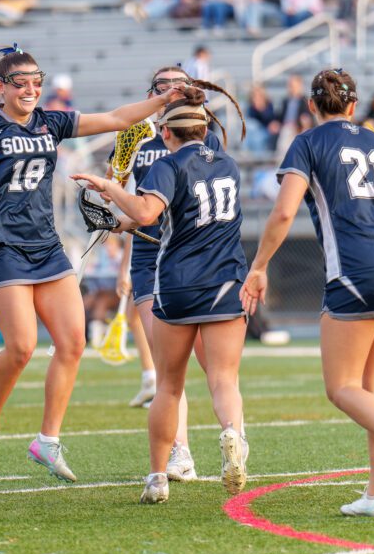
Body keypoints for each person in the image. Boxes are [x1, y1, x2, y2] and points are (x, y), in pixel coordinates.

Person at [0, 43, 185, 484]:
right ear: (0, 87)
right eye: (20, 83)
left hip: (47, 247)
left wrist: (163, 99)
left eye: (37, 82)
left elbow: (118, 119)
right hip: (1, 248)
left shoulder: (50, 121)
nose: (30, 89)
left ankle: (47, 440)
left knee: (73, 343)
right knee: (21, 347)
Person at [241, 68, 374, 517]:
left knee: (342, 387)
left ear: (312, 106)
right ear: (354, 105)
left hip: (355, 269)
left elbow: (284, 212)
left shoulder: (307, 144)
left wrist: (258, 266)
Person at [72, 82, 250, 504]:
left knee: (169, 385)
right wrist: (120, 224)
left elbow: (149, 212)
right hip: (226, 282)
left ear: (166, 133)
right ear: (205, 130)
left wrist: (109, 188)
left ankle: (157, 477)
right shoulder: (227, 165)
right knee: (224, 379)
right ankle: (231, 435)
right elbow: (179, 213)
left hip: (179, 283)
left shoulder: (165, 167)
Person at [104, 65, 234, 476]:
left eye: (180, 84)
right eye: (164, 86)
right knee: (167, 369)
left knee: (211, 365)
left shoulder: (203, 134)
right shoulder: (133, 136)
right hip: (149, 254)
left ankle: (227, 438)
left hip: (196, 254)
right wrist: (124, 257)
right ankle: (180, 452)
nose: (173, 91)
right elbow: (120, 196)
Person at [245, 84, 280, 152]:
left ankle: (256, 157)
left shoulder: (269, 105)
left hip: (266, 130)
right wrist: (256, 108)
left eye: (259, 95)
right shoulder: (251, 108)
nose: (257, 98)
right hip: (254, 132)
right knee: (250, 128)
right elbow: (250, 119)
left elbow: (270, 119)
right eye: (255, 96)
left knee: (257, 136)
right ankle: (246, 152)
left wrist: (261, 109)